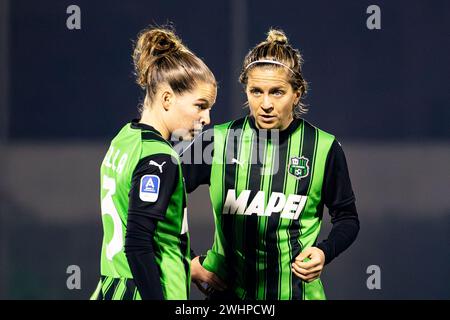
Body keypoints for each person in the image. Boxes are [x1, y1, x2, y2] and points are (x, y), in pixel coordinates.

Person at [182, 29, 359, 300]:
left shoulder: (324, 148)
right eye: (256, 91)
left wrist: (324, 251)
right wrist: (189, 261)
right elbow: (163, 202)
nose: (265, 104)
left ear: (297, 93)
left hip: (297, 294)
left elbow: (347, 219)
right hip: (229, 298)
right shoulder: (216, 142)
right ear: (246, 90)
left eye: (277, 92)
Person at [91, 26, 217, 300]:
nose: (207, 119)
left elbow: (148, 227)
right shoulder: (159, 159)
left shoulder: (124, 139)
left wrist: (189, 264)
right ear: (167, 99)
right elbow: (137, 243)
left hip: (112, 287)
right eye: (200, 105)